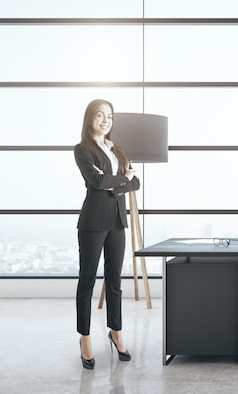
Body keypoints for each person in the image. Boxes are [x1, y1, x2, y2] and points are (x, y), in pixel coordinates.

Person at [74, 99, 140, 369]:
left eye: (109, 116)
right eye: (100, 115)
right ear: (90, 118)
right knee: (87, 282)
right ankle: (85, 338)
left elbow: (135, 182)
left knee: (114, 282)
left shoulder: (118, 150)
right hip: (92, 223)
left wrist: (117, 181)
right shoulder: (82, 150)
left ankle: (116, 332)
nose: (105, 120)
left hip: (117, 222)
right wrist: (121, 179)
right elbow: (96, 181)